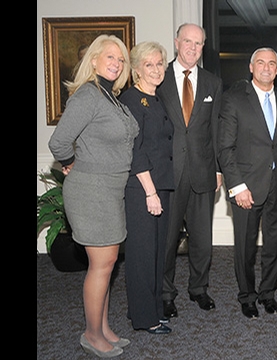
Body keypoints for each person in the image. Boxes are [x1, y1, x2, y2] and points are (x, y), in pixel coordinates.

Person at [48, 34, 138, 358]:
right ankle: (91, 334)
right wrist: (72, 164)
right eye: (110, 57)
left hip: (111, 189)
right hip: (91, 189)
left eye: (121, 59)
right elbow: (59, 142)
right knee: (101, 264)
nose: (116, 63)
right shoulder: (88, 95)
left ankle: (103, 328)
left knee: (108, 262)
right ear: (95, 59)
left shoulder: (110, 96)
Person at [156, 23, 223, 320]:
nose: (193, 48)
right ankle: (165, 294)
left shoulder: (212, 82)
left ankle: (199, 289)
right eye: (188, 41)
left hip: (202, 171)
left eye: (198, 43)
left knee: (202, 239)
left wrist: (219, 169)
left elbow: (216, 130)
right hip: (168, 174)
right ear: (176, 42)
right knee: (167, 240)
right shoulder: (158, 78)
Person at [218, 47, 277, 319]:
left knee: (275, 246)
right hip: (246, 188)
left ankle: (268, 293)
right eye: (260, 62)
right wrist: (237, 186)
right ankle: (247, 296)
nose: (266, 67)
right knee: (245, 248)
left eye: (272, 63)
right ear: (251, 67)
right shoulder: (234, 99)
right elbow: (225, 147)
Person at [120, 41, 173, 335]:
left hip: (161, 184)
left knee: (156, 253)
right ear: (136, 69)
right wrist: (150, 192)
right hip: (142, 188)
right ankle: (144, 318)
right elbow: (135, 150)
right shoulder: (130, 99)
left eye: (159, 63)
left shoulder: (157, 98)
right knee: (141, 254)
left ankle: (151, 309)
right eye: (148, 65)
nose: (155, 69)